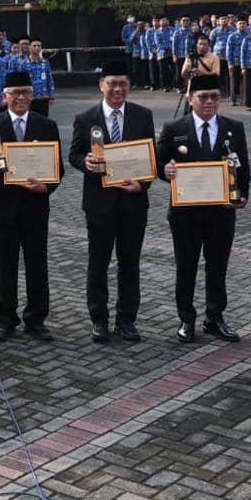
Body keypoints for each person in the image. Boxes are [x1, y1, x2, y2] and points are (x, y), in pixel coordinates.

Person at [0, 71, 62, 341]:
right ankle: (5, 318)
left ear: (33, 96)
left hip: (35, 205)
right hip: (3, 206)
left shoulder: (46, 126)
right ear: (4, 97)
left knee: (37, 264)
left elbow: (58, 168)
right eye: (15, 93)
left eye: (25, 93)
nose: (20, 98)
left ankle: (36, 318)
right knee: (4, 264)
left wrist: (47, 187)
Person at [156, 75, 249, 343]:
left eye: (215, 97)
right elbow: (158, 162)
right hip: (185, 213)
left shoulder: (234, 127)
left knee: (217, 266)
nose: (209, 102)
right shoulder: (174, 127)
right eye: (203, 97)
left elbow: (241, 165)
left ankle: (214, 317)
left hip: (221, 211)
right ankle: (186, 318)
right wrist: (165, 170)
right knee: (186, 266)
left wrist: (242, 195)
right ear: (190, 99)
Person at [69, 60, 155, 342]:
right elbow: (73, 154)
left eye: (123, 84)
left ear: (129, 86)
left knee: (129, 264)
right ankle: (99, 319)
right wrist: (85, 162)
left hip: (133, 203)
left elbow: (150, 157)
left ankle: (126, 320)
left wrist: (143, 184)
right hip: (99, 204)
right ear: (101, 85)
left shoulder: (142, 116)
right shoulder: (85, 118)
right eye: (112, 84)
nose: (117, 89)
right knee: (98, 263)